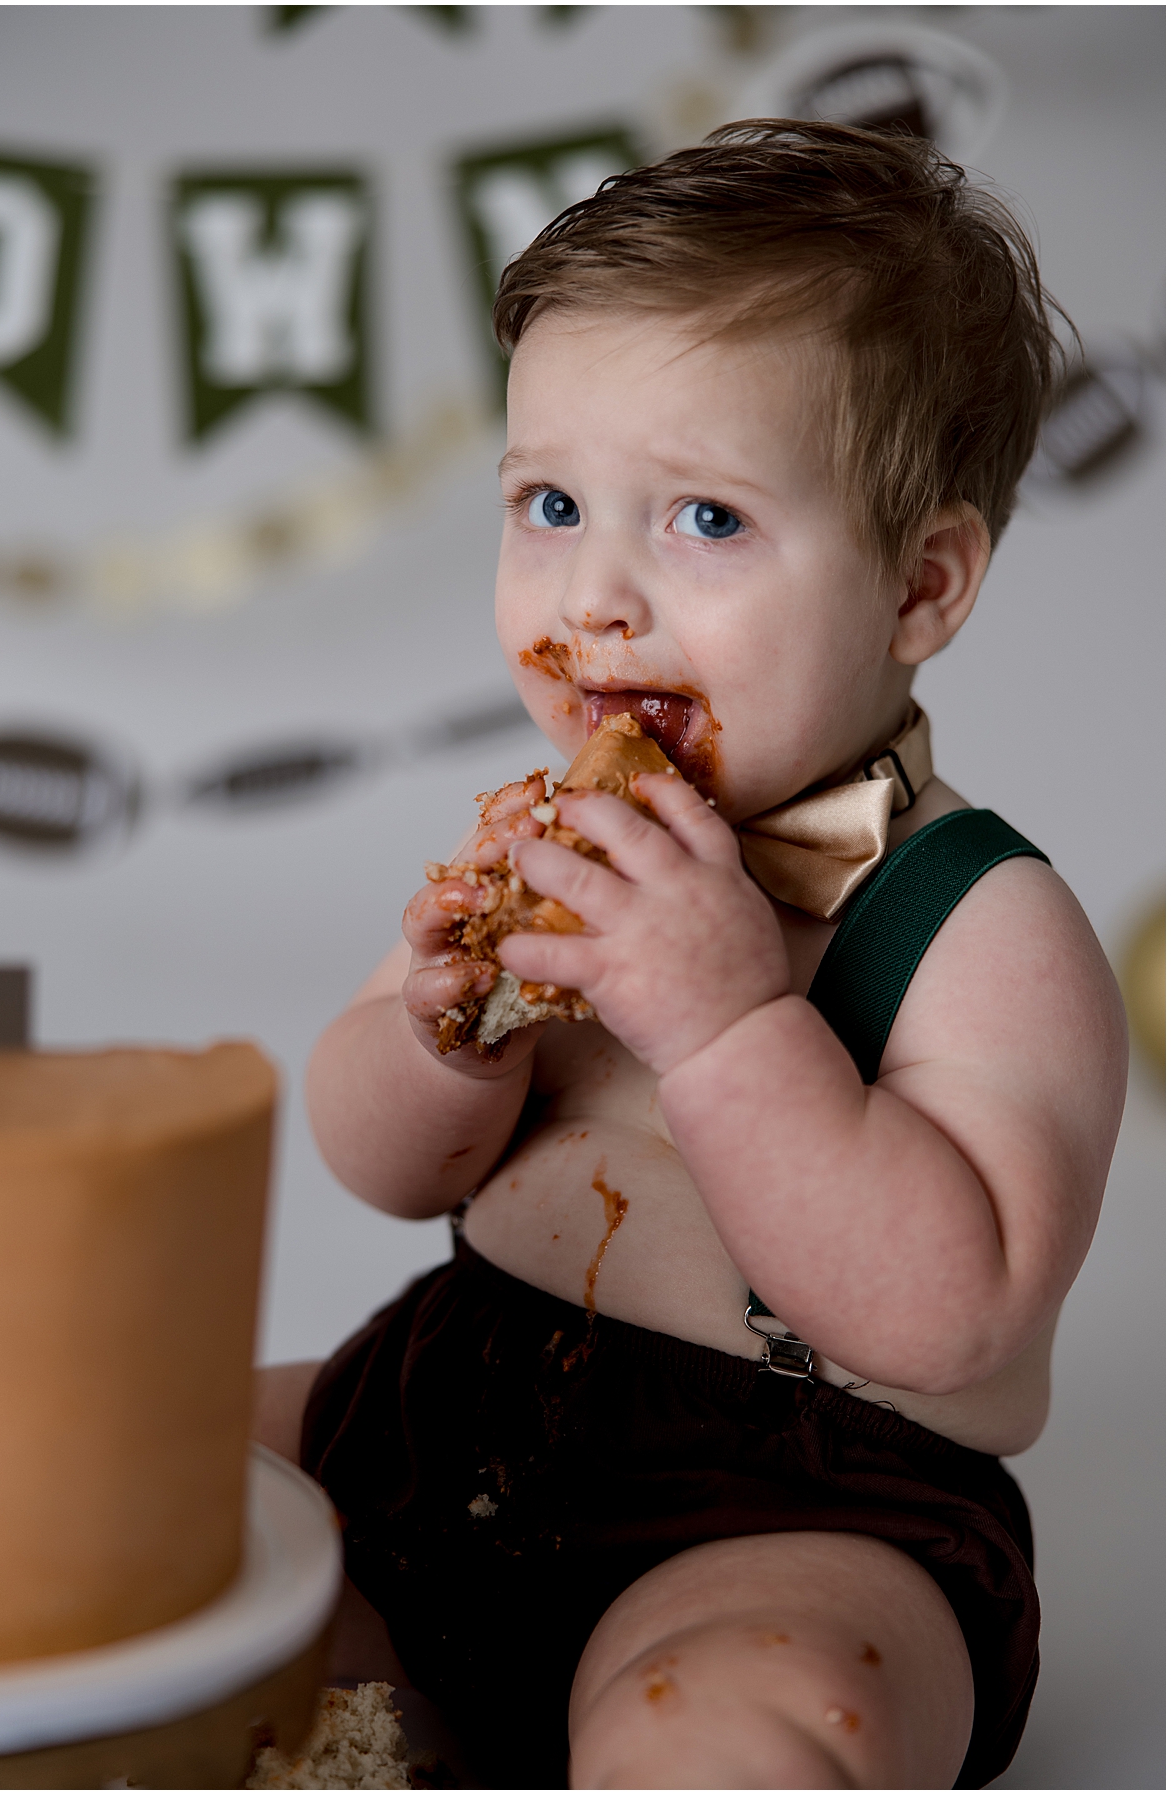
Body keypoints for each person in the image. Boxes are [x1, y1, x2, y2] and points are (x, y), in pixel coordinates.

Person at [255, 121, 1126, 1790]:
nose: (594, 597)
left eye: (707, 520)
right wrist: (442, 1040)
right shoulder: (549, 839)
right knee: (84, 1471)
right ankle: (365, 1699)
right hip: (445, 1411)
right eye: (553, 504)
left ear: (922, 584)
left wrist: (729, 1025)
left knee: (746, 1715)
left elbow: (949, 1315)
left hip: (789, 1510)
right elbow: (376, 1166)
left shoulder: (977, 925)